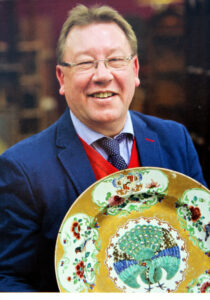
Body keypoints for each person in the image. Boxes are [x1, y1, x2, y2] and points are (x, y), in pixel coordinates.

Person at [0, 4, 207, 292]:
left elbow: (204, 241)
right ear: (61, 78)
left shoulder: (174, 140)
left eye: (115, 60)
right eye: (85, 63)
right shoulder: (23, 168)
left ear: (134, 70)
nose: (102, 75)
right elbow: (7, 280)